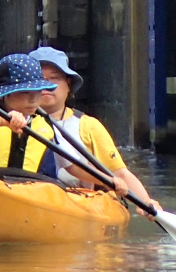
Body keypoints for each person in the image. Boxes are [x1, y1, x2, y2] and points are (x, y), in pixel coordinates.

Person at [30, 46, 160, 214]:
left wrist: (146, 201)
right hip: (32, 194)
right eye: (39, 79)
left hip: (76, 202)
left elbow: (119, 174)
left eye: (54, 78)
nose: (46, 85)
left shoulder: (88, 126)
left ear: (68, 85)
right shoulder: (12, 119)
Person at [0, 54, 59, 178]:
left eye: (38, 92)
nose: (33, 100)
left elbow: (70, 163)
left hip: (31, 192)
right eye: (25, 92)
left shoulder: (45, 124)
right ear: (6, 93)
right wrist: (2, 121)